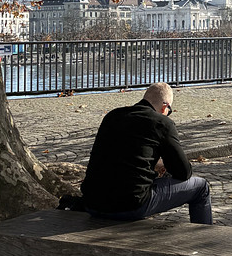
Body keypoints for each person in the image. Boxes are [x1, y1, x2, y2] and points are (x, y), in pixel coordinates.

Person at [80, 82, 212, 224]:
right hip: (130, 205)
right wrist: (165, 163)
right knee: (201, 187)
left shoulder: (113, 116)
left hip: (92, 202)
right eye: (170, 110)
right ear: (165, 106)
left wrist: (155, 163)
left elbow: (124, 156)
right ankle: (204, 236)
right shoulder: (162, 123)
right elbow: (184, 172)